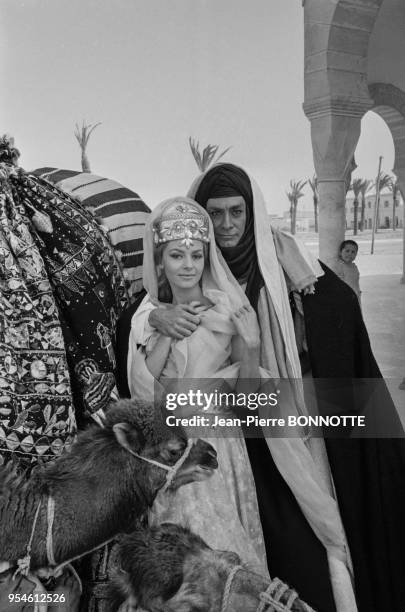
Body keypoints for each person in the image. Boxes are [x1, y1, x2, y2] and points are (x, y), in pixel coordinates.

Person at [123, 163, 405, 612]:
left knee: (301, 537)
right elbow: (142, 333)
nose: (228, 225)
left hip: (276, 425)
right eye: (216, 214)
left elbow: (334, 316)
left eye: (238, 212)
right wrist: (156, 319)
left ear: (252, 212)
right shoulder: (184, 276)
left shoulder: (282, 262)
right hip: (219, 446)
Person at [127, 196, 269, 575]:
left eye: (195, 255)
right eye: (176, 256)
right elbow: (145, 394)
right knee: (180, 565)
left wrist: (252, 345)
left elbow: (247, 402)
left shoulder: (231, 312)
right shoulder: (146, 317)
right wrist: (166, 332)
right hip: (170, 448)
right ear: (160, 261)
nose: (188, 265)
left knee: (224, 557)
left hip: (220, 446)